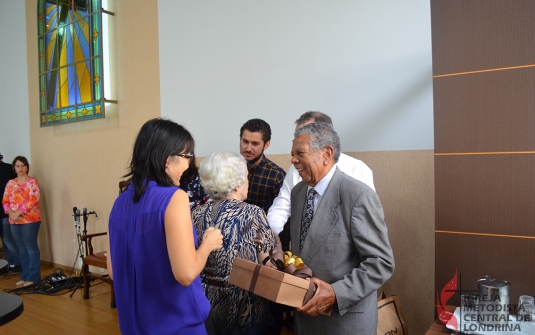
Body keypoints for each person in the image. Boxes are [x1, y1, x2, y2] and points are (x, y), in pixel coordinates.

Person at [107, 118, 223, 335]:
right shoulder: (173, 197)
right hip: (175, 324)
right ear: (166, 160)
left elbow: (113, 271)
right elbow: (186, 274)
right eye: (186, 157)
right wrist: (207, 244)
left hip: (134, 324)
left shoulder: (119, 203)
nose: (189, 164)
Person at [289, 122, 394, 334]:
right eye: (292, 154)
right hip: (306, 320)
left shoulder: (357, 196)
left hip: (344, 322)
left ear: (327, 153)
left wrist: (336, 293)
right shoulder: (298, 193)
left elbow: (381, 262)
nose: (293, 160)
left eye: (300, 153)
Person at [192, 152, 278, 335]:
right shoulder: (253, 214)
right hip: (244, 310)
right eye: (246, 177)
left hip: (206, 306)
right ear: (237, 183)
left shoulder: (196, 214)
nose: (248, 182)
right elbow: (267, 264)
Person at [267, 111, 375, 235]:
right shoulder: (296, 170)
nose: (299, 139)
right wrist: (270, 235)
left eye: (305, 133)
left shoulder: (357, 169)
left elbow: (367, 227)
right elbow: (281, 207)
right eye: (296, 135)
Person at [2, 156, 42, 287]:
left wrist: (18, 213)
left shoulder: (32, 182)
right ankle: (24, 275)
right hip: (14, 220)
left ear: (27, 167)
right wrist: (11, 214)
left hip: (30, 219)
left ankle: (33, 277)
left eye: (23, 165)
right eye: (18, 166)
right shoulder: (10, 183)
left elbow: (33, 200)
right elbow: (5, 201)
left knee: (30, 246)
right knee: (21, 248)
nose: (20, 168)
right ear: (14, 168)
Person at [239, 119, 286, 213]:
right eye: (245, 142)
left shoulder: (277, 176)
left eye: (255, 144)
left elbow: (284, 214)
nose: (248, 148)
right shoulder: (230, 169)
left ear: (266, 145)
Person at [0, 152, 21, 275]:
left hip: (6, 210)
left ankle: (17, 262)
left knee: (7, 238)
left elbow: (17, 188)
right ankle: (8, 263)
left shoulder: (9, 169)